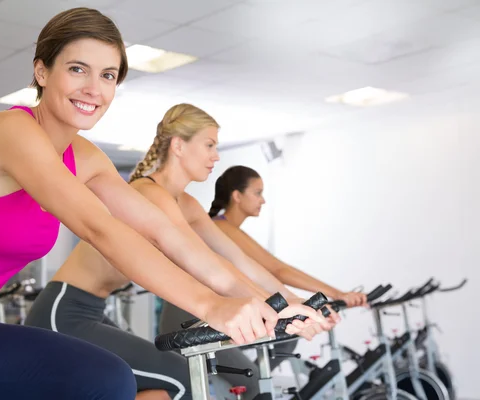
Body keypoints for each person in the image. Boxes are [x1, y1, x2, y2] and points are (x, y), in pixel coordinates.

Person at [0, 8, 297, 400]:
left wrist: (276, 304)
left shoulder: (86, 157)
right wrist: (210, 306)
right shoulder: (8, 130)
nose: (93, 89)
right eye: (77, 69)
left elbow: (164, 233)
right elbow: (102, 229)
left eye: (108, 75)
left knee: (108, 379)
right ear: (42, 71)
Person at [126, 103, 333, 398]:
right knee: (181, 385)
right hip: (76, 307)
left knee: (186, 387)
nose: (216, 156)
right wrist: (276, 304)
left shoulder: (186, 204)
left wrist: (291, 300)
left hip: (114, 309)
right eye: (209, 145)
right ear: (178, 146)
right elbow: (206, 262)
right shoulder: (150, 194)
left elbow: (238, 260)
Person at [209, 165, 367, 308]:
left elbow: (273, 270)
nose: (263, 200)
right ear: (237, 196)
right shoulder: (222, 227)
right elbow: (278, 270)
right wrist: (337, 294)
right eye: (257, 193)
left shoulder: (227, 228)